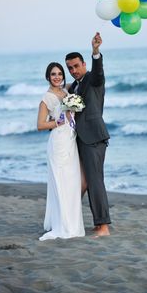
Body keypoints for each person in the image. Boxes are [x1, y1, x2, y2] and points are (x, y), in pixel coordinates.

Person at [65, 32, 111, 237]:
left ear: (84, 64)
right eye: (70, 68)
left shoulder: (93, 78)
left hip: (93, 137)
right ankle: (94, 222)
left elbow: (99, 71)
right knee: (86, 181)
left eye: (76, 66)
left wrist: (95, 51)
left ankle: (103, 226)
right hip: (80, 139)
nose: (73, 70)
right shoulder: (74, 86)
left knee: (95, 181)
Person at [37, 62, 85, 241]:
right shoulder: (46, 98)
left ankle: (72, 224)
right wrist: (58, 122)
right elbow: (40, 125)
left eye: (59, 74)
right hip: (58, 143)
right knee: (61, 183)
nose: (57, 77)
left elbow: (81, 81)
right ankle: (62, 225)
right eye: (53, 74)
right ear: (48, 77)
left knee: (72, 184)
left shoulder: (65, 91)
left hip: (70, 141)